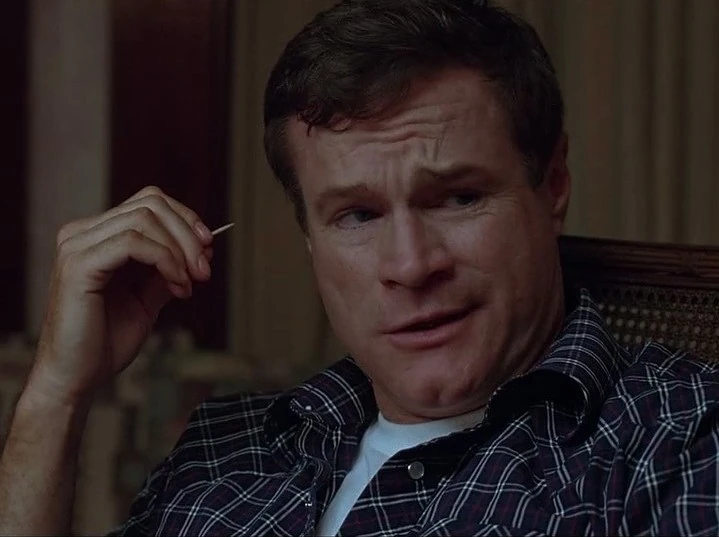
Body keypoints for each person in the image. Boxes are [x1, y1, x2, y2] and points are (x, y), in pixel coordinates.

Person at [2, 0, 719, 535]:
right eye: (357, 215)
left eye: (459, 198)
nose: (410, 265)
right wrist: (55, 396)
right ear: (308, 237)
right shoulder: (227, 449)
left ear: (552, 182)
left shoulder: (676, 439)